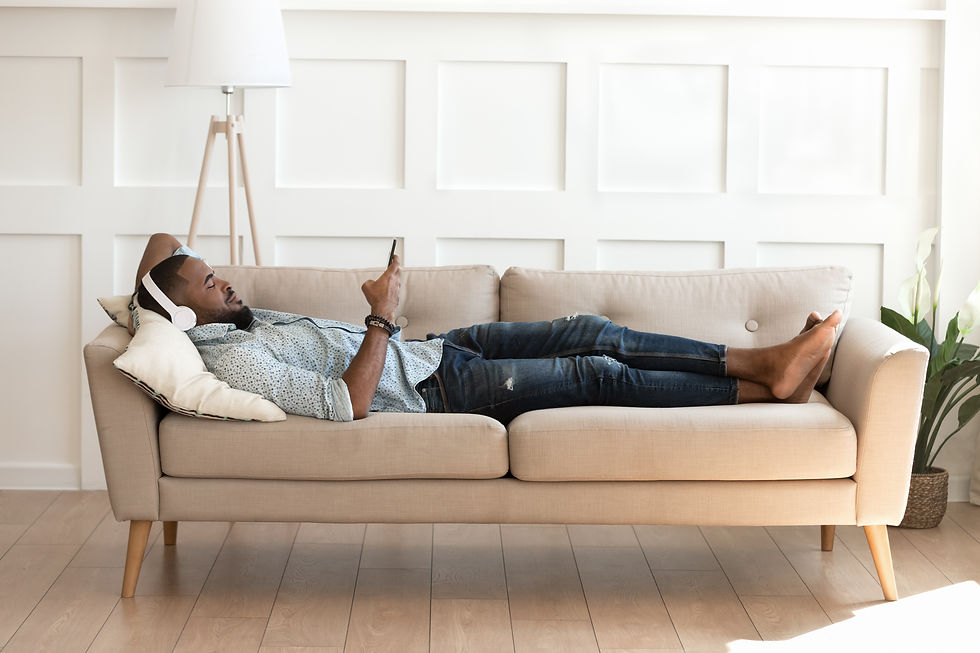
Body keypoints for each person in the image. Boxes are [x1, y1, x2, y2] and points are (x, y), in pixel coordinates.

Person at [131, 234, 842, 424]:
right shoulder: (231, 360)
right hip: (438, 388)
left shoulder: (233, 319)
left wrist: (151, 297)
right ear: (184, 313)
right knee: (596, 374)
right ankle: (770, 385)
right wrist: (380, 314)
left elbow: (162, 247)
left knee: (592, 329)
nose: (224, 279)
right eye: (208, 281)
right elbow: (344, 406)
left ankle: (767, 363)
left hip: (437, 349)